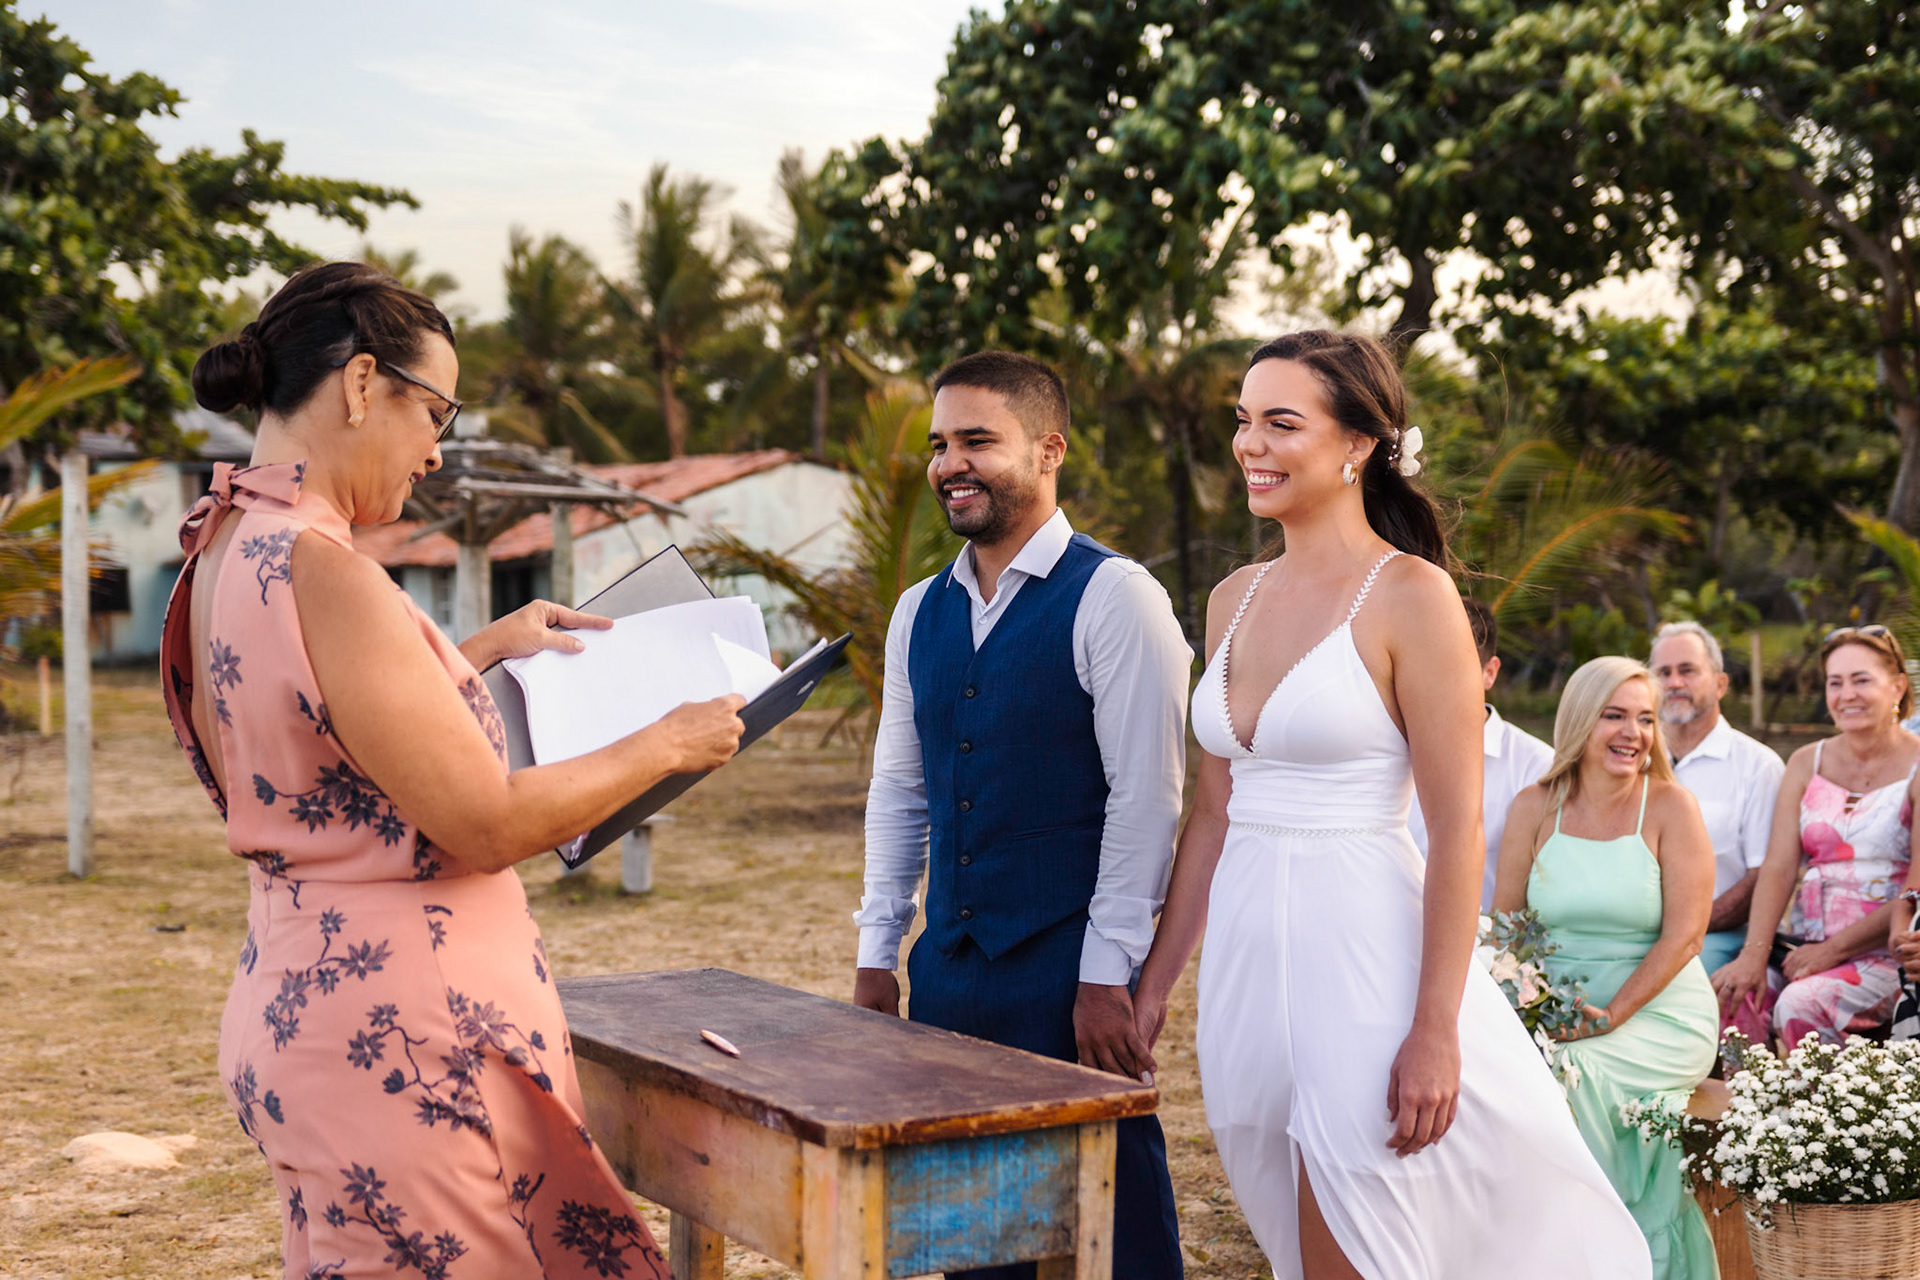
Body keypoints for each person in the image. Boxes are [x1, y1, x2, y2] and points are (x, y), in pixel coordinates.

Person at [162, 262, 745, 1280]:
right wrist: (668, 737)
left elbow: (311, 740)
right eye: (435, 410)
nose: (436, 450)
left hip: (303, 998)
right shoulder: (326, 565)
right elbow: (481, 822)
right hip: (406, 1044)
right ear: (359, 385)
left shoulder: (226, 547)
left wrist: (468, 656)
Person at [1131, 331, 1648, 1280]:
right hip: (1248, 964)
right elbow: (1213, 811)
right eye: (1243, 421)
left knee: (1362, 1234)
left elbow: (1457, 826)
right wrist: (1157, 984)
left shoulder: (1413, 596)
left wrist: (1436, 1029)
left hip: (1364, 959)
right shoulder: (1230, 598)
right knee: (1292, 1235)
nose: (1252, 444)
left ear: (1358, 445)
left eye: (1282, 423)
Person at [850, 351, 1188, 1279]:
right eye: (939, 444)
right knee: (973, 1234)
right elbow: (902, 790)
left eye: (976, 441)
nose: (950, 463)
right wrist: (879, 953)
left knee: (1108, 1233)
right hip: (949, 973)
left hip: (1066, 976)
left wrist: (1105, 972)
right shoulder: (918, 610)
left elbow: (1149, 799)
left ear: (1048, 451)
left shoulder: (1117, 597)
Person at [1494, 657, 1720, 1279]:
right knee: (1498, 1079)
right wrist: (1523, 1010)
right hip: (1558, 1010)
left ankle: (1606, 1254)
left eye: (1645, 719)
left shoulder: (1672, 807)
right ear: (1579, 722)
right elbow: (1508, 932)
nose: (1633, 733)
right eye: (1614, 716)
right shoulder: (1534, 807)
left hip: (1659, 1011)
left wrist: (1612, 1014)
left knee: (1572, 1073)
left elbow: (1686, 938)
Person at [1713, 626, 1918, 1049]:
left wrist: (1835, 950)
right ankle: (1750, 1113)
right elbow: (1779, 867)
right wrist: (1754, 952)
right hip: (1802, 945)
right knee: (1730, 998)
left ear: (1897, 686)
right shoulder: (1807, 761)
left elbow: (1915, 888)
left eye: (1862, 680)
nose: (1847, 695)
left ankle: (1836, 1113)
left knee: (1800, 1005)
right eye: (1835, 682)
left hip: (1883, 953)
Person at [1648, 621, 1786, 976]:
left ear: (1720, 683)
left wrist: (1681, 930)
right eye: (1663, 672)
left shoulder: (1758, 766)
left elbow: (1762, 879)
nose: (1674, 683)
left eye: (1688, 671)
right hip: (1632, 935)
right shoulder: (1633, 758)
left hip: (1718, 937)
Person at [1407, 597, 1554, 909]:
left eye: (1452, 667)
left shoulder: (1536, 766)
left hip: (1489, 953)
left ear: (1490, 672)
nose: (1431, 684)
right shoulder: (1382, 756)